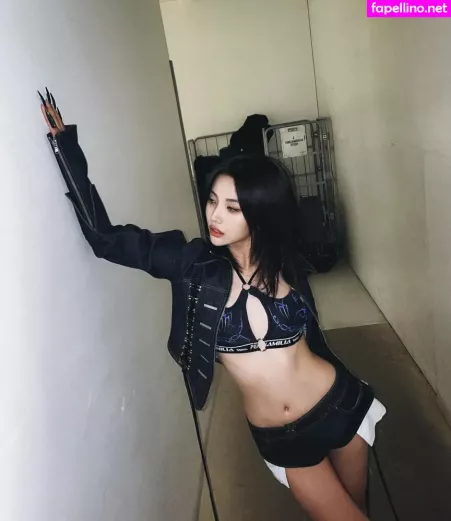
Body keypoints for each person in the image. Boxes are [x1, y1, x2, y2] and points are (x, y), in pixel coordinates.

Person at [39, 90, 386, 521]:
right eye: (212, 201)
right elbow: (105, 239)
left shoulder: (288, 262)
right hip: (282, 438)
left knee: (358, 510)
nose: (215, 216)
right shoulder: (192, 265)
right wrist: (66, 147)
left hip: (339, 405)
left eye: (232, 207)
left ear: (260, 213)